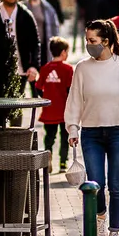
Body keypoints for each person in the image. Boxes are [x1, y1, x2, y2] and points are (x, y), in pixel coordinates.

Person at [65, 20, 119, 236]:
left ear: (107, 41)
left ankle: (115, 233)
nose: (89, 45)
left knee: (116, 185)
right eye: (87, 40)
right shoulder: (82, 68)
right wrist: (72, 128)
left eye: (93, 41)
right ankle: (100, 219)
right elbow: (74, 100)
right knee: (96, 183)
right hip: (91, 134)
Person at [34, 37, 74, 172]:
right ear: (63, 53)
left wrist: (46, 98)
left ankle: (47, 157)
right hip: (64, 111)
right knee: (65, 137)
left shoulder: (45, 68)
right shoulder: (68, 69)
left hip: (49, 110)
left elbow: (38, 87)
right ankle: (63, 163)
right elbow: (70, 90)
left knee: (49, 136)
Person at [23, 0, 61, 72]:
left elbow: (54, 25)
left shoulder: (47, 8)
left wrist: (55, 42)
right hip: (28, 44)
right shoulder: (23, 7)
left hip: (44, 43)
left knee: (43, 69)